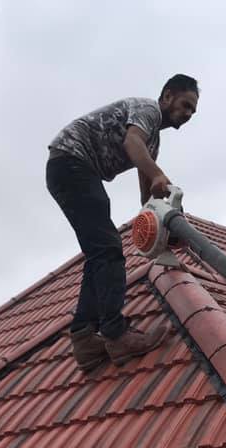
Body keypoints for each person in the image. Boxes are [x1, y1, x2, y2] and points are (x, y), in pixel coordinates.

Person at [46, 74, 199, 372]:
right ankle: (116, 334)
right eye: (185, 105)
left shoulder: (151, 142)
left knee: (100, 253)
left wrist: (164, 226)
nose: (188, 114)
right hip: (72, 162)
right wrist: (157, 175)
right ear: (167, 96)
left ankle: (85, 339)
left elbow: (147, 199)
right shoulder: (147, 112)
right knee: (109, 250)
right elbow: (132, 143)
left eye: (193, 111)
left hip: (70, 168)